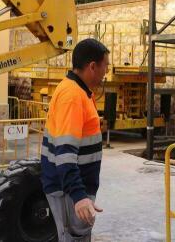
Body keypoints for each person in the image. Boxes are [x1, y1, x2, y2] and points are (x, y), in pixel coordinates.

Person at [41, 38, 109, 242]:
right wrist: (79, 196)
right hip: (67, 192)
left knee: (77, 235)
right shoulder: (72, 97)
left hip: (72, 188)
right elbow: (65, 154)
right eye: (105, 66)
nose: (106, 72)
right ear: (92, 66)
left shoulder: (79, 92)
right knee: (73, 236)